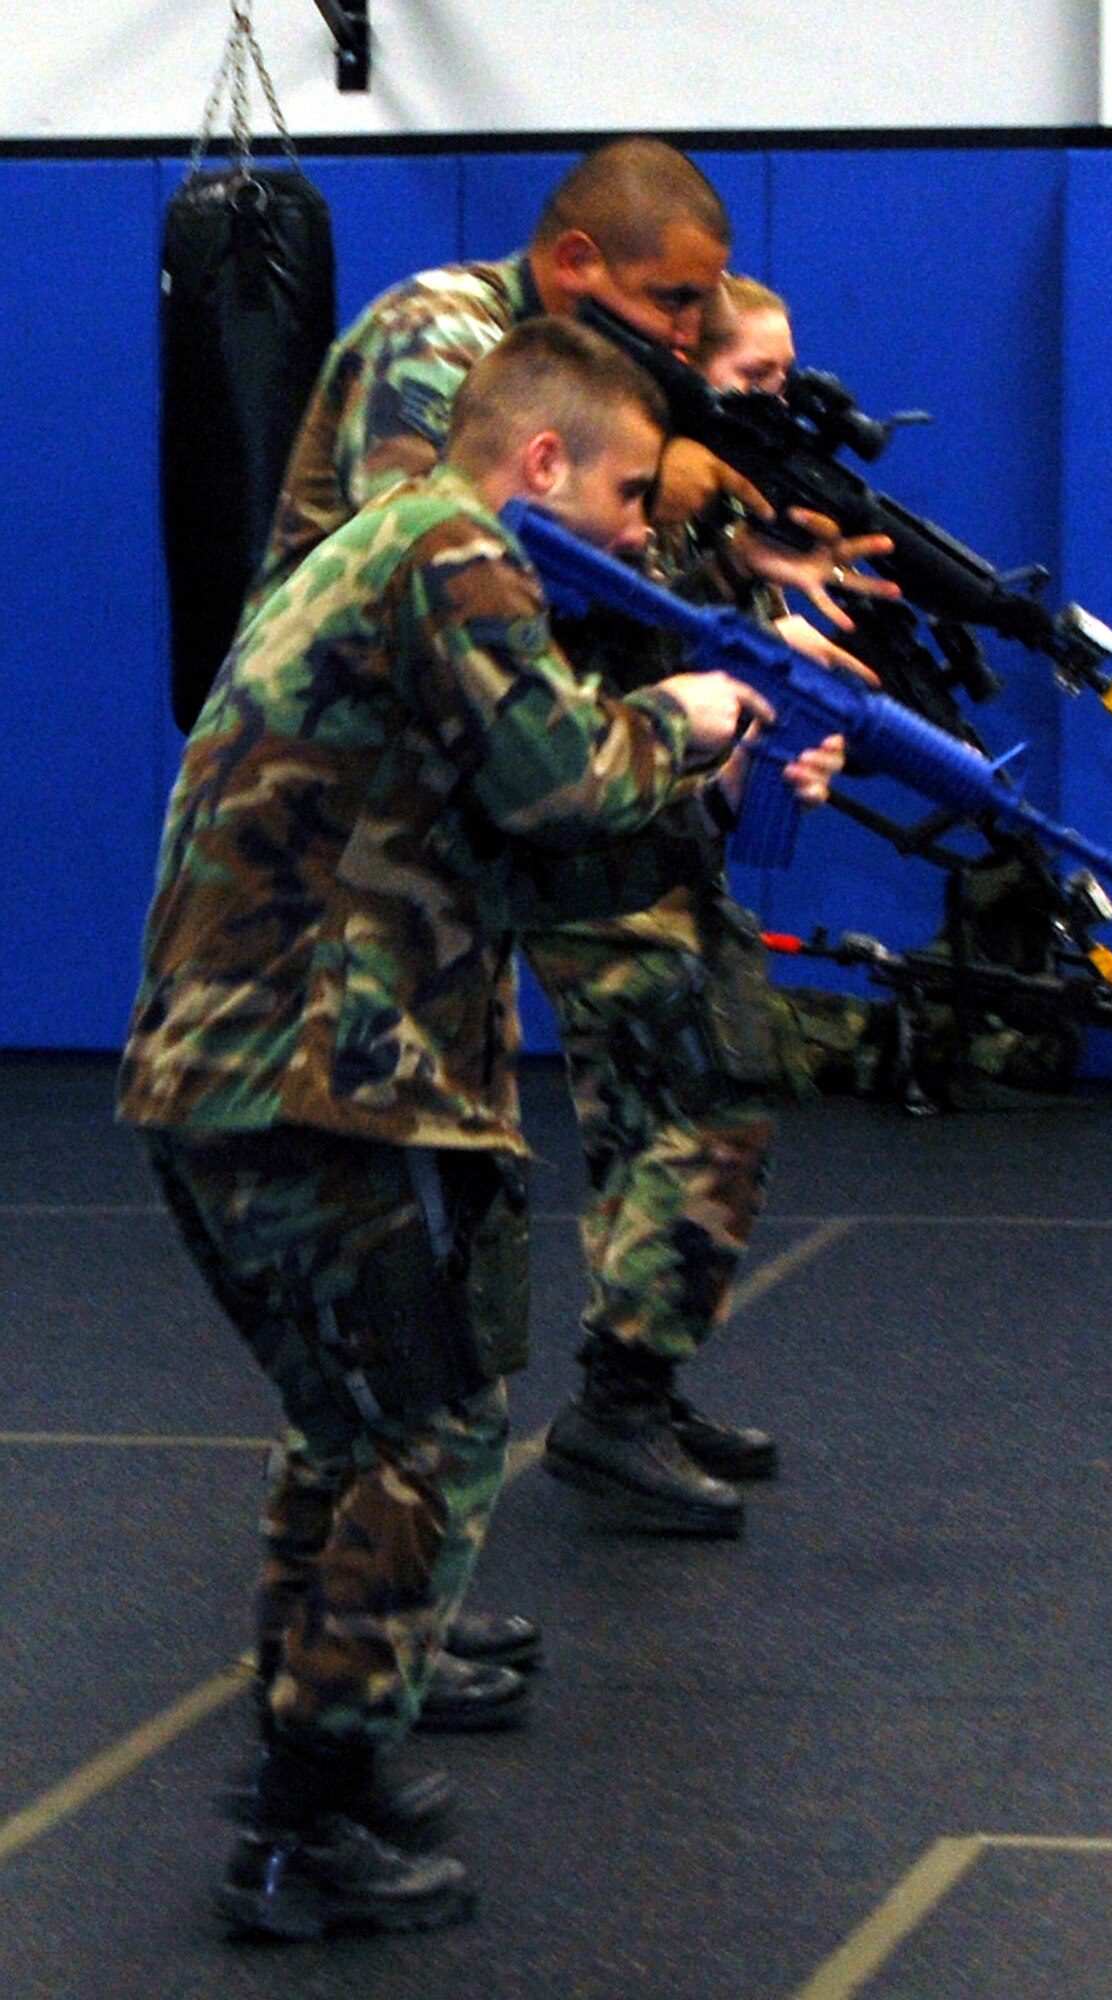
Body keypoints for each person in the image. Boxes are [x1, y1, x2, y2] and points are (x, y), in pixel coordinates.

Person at [117, 320, 783, 1938]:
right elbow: (560, 784)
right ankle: (307, 1821)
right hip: (325, 1079)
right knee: (431, 1434)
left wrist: (709, 789)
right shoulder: (452, 548)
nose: (637, 531)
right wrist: (683, 717)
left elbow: (522, 855)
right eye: (626, 492)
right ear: (542, 459)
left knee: (349, 1434)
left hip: (238, 1075)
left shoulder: (390, 556)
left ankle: (315, 1758)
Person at [243, 137, 861, 1557]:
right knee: (399, 1194)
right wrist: (680, 514)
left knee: (702, 1043)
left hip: (552, 758)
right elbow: (459, 563)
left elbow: (605, 580)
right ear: (575, 262)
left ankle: (622, 1394)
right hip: (398, 798)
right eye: (672, 301)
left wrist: (741, 596)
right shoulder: (438, 334)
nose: (693, 331)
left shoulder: (624, 385)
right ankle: (363, 1578)